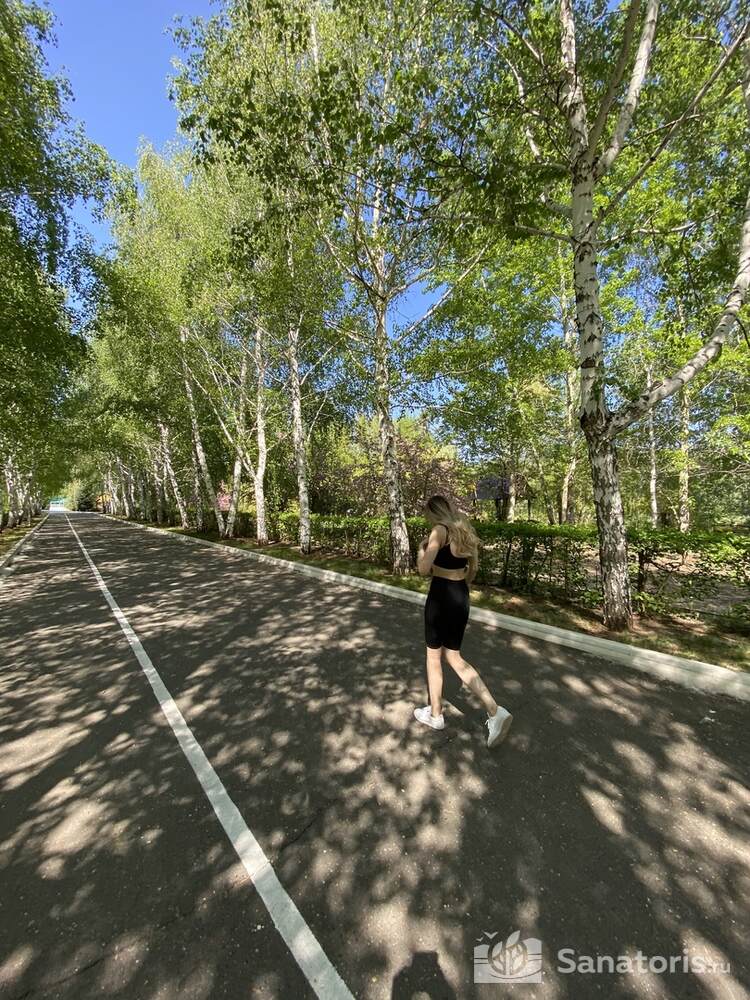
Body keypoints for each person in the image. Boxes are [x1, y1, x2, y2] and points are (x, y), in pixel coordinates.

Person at [414, 494, 513, 749]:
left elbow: (423, 569)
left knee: (433, 657)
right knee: (454, 656)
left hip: (440, 597)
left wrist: (421, 549)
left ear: (432, 512)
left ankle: (436, 715)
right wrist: (461, 585)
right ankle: (495, 710)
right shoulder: (464, 529)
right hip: (460, 595)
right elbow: (473, 569)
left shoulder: (439, 531)